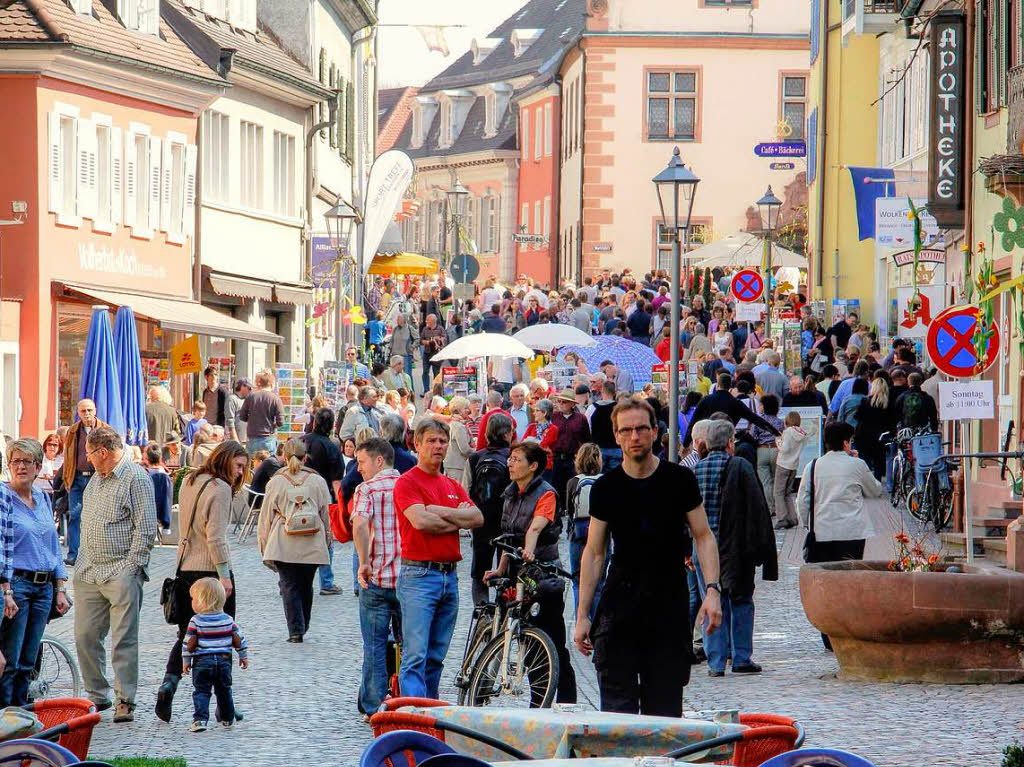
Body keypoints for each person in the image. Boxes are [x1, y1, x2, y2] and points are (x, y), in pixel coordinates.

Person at [574, 398, 722, 716]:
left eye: (641, 428)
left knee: (665, 719)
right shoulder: (606, 488)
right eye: (626, 430)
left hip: (668, 611)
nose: (634, 436)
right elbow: (595, 552)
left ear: (655, 431)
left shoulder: (679, 480)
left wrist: (712, 590)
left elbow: (704, 536)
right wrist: (582, 614)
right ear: (615, 436)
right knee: (618, 721)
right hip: (618, 614)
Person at [155, 440, 247, 722]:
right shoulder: (220, 489)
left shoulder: (190, 479)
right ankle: (224, 705)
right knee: (220, 635)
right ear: (225, 459)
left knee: (187, 634)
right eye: (239, 465)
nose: (241, 472)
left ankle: (169, 683)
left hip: (185, 569)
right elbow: (216, 536)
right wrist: (224, 576)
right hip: (210, 571)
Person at [392, 418, 483, 698]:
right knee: (415, 655)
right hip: (419, 575)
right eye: (431, 440)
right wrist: (457, 519)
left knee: (436, 656)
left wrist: (437, 510)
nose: (438, 446)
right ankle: (416, 715)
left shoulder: (452, 485)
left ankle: (429, 709)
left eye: (442, 441)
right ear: (417, 444)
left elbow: (478, 517)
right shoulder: (407, 482)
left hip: (449, 576)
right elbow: (421, 522)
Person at [73, 426, 156, 722]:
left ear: (102, 452)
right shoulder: (95, 478)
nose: (86, 458)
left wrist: (132, 567)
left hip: (121, 570)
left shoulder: (136, 478)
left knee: (123, 639)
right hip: (90, 571)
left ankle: (125, 700)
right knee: (85, 636)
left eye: (89, 453)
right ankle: (97, 694)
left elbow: (146, 528)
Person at [484, 441, 576, 703]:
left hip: (543, 575)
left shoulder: (546, 493)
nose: (510, 464)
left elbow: (534, 529)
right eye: (510, 459)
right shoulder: (510, 493)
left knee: (552, 642)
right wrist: (500, 569)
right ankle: (538, 704)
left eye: (516, 459)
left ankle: (566, 701)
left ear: (533, 466)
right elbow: (508, 538)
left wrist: (529, 552)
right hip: (517, 575)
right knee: (528, 643)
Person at [693, 420, 777, 676]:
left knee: (711, 599)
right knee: (740, 599)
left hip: (701, 547)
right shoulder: (740, 466)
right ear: (731, 443)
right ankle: (740, 657)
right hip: (735, 546)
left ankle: (716, 662)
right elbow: (757, 507)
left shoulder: (695, 470)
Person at [797, 422, 883, 649]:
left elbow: (802, 501)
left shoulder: (813, 466)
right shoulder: (857, 464)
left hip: (823, 533)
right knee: (848, 583)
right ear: (846, 442)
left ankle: (828, 636)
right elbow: (875, 490)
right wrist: (857, 461)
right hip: (852, 533)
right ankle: (846, 633)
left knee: (826, 586)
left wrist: (808, 525)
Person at [0, 439, 70, 707]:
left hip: (44, 587)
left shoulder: (41, 498)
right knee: (12, 660)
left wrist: (61, 587)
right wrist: (6, 590)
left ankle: (24, 718)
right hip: (17, 584)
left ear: (38, 466)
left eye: (26, 462)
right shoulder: (5, 499)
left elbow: (52, 546)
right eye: (15, 461)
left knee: (29, 660)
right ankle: (8, 720)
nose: (20, 467)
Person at [258, 439, 332, 642]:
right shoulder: (318, 481)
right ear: (305, 457)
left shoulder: (275, 482)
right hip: (312, 540)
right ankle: (303, 624)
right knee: (306, 584)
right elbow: (327, 513)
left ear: (283, 457)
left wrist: (264, 545)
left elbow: (266, 517)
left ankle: (295, 630)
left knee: (288, 584)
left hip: (284, 540)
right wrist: (327, 539)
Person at [351, 438, 402, 715]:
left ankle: (373, 706)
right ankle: (407, 700)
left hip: (377, 579)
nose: (359, 469)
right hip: (408, 580)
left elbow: (359, 522)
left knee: (374, 645)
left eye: (362, 462)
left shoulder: (368, 489)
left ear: (378, 460)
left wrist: (363, 561)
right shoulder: (409, 485)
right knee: (409, 647)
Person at [181, 578, 249, 732]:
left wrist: (186, 661)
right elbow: (239, 639)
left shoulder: (195, 621)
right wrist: (243, 656)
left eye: (193, 599)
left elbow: (188, 644)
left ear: (200, 601)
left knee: (202, 691)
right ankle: (227, 718)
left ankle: (200, 720)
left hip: (202, 662)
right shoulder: (228, 620)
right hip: (224, 661)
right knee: (224, 690)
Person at [467, 414, 513, 605]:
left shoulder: (476, 457)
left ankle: (482, 609)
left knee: (480, 568)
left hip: (481, 518)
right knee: (507, 565)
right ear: (508, 433)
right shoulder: (512, 456)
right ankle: (503, 607)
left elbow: (468, 489)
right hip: (506, 518)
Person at [301, 409, 346, 597]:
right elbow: (336, 481)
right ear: (333, 425)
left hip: (298, 494)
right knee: (325, 539)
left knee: (297, 535)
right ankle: (326, 582)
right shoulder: (332, 447)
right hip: (323, 496)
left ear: (314, 421)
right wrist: (341, 508)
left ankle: (292, 580)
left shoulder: (301, 441)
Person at [62, 399, 106, 567]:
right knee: (75, 515)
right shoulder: (73, 431)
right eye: (83, 411)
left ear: (95, 410)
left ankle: (96, 554)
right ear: (78, 413)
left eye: (89, 410)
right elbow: (68, 457)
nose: (86, 414)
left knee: (98, 516)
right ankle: (74, 554)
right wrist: (67, 478)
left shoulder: (104, 430)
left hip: (97, 478)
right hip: (77, 478)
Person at [682, 373, 780, 448]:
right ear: (730, 387)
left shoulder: (706, 400)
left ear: (718, 384)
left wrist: (686, 443)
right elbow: (756, 419)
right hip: (727, 442)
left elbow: (693, 422)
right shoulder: (736, 403)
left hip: (709, 440)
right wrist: (776, 432)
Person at [566, 443, 603, 614]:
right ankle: (595, 619)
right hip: (600, 534)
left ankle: (580, 615)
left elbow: (569, 510)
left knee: (577, 580)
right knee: (598, 581)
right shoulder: (604, 481)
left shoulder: (573, 482)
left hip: (578, 533)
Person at [550, 389, 592, 505]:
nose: (561, 404)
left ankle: (573, 508)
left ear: (572, 404)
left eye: (564, 402)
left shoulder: (581, 418)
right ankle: (559, 509)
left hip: (573, 458)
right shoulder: (553, 418)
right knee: (556, 486)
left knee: (574, 485)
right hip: (556, 457)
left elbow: (586, 439)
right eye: (559, 401)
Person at [751, 395, 783, 517]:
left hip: (762, 451)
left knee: (765, 482)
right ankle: (778, 507)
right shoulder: (780, 422)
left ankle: (769, 509)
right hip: (776, 451)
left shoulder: (759, 421)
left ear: (764, 407)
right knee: (776, 480)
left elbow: (753, 436)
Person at [774, 412, 807, 529]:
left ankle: (782, 518)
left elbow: (785, 448)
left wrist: (778, 441)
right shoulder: (802, 433)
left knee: (778, 493)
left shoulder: (788, 432)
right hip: (794, 466)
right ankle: (792, 518)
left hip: (783, 464)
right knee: (787, 493)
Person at [239, 370, 284, 457]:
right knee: (268, 466)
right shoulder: (275, 398)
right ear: (272, 384)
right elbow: (281, 422)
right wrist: (272, 425)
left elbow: (242, 416)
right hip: (268, 438)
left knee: (251, 467)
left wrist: (253, 420)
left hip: (252, 438)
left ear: (260, 383)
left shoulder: (251, 396)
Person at [855, 376, 890, 480]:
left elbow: (857, 416)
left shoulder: (865, 401)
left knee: (865, 462)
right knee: (878, 462)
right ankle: (877, 483)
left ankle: (867, 483)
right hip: (879, 436)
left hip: (864, 435)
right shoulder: (886, 404)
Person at [443, 396, 474, 488]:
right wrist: (477, 450)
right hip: (458, 466)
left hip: (452, 465)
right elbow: (465, 449)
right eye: (465, 408)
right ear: (458, 410)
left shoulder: (453, 423)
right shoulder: (459, 427)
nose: (468, 410)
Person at [142, 442, 173, 533]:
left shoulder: (143, 474)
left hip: (146, 516)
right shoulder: (165, 474)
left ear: (146, 458)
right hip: (163, 517)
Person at [419, 315, 447, 392]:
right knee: (425, 372)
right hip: (427, 353)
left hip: (436, 353)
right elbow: (421, 340)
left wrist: (438, 339)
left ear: (432, 321)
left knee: (436, 373)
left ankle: (436, 391)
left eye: (427, 320)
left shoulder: (440, 329)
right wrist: (427, 342)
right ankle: (426, 390)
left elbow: (445, 340)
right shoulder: (425, 329)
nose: (426, 321)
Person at [390, 313, 419, 378]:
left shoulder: (409, 328)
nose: (397, 320)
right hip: (395, 356)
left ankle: (409, 388)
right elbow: (392, 340)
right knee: (395, 375)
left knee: (407, 375)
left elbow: (417, 339)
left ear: (403, 320)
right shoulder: (395, 329)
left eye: (398, 319)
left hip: (406, 356)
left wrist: (412, 347)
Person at [224, 379, 251, 445]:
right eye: (249, 388)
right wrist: (235, 440)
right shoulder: (232, 399)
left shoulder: (247, 399)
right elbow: (230, 421)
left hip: (245, 439)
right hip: (235, 440)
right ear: (242, 387)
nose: (250, 391)